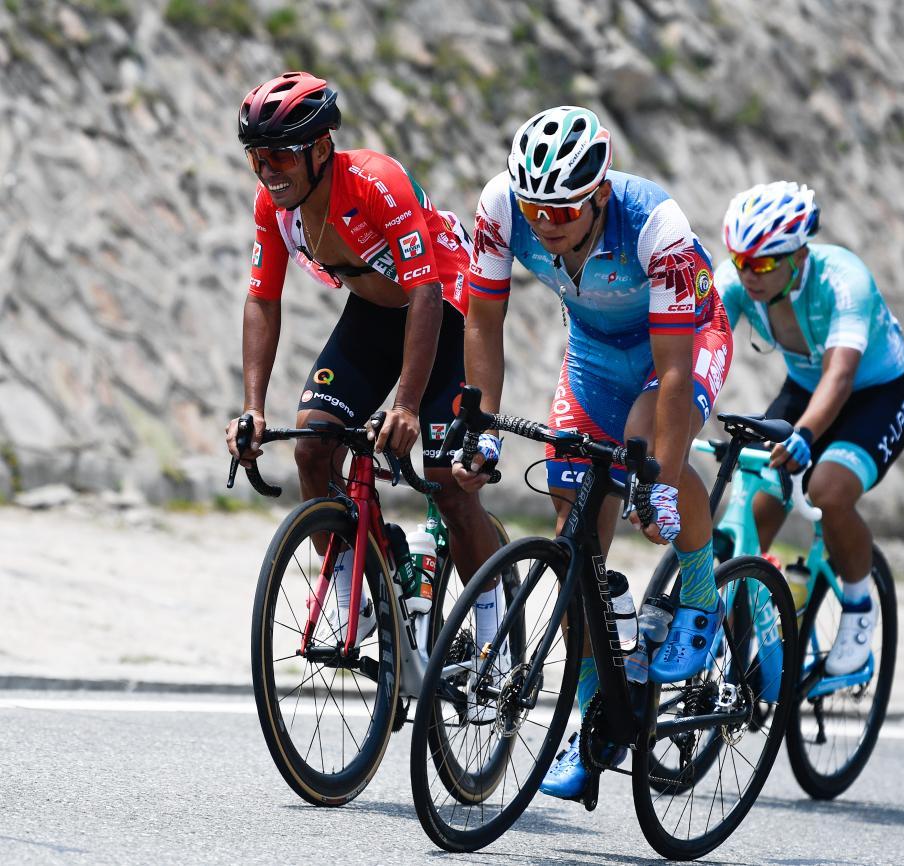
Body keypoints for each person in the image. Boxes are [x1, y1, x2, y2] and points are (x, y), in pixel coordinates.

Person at [454, 106, 733, 800]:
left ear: (601, 194)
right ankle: (592, 723)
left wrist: (659, 480)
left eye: (563, 210)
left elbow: (674, 373)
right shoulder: (501, 207)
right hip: (594, 358)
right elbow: (484, 320)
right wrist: (481, 427)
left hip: (683, 345)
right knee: (574, 543)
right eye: (535, 209)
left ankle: (701, 597)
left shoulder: (655, 226)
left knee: (647, 449)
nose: (544, 223)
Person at [224, 71, 501, 651]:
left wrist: (407, 406)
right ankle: (358, 594)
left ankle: (492, 631)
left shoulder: (377, 183)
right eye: (257, 158)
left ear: (321, 148)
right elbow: (262, 298)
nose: (268, 171)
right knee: (312, 444)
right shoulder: (274, 206)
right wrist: (252, 408)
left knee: (448, 486)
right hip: (376, 310)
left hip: (445, 304)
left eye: (281, 155)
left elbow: (425, 293)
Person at [718, 181, 904, 675]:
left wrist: (804, 436)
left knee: (827, 490)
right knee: (757, 505)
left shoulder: (844, 279)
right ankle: (743, 637)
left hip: (876, 395)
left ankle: (858, 605)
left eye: (763, 263)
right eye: (740, 260)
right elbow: (700, 345)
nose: (748, 273)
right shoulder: (737, 280)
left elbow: (841, 375)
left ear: (799, 255)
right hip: (806, 389)